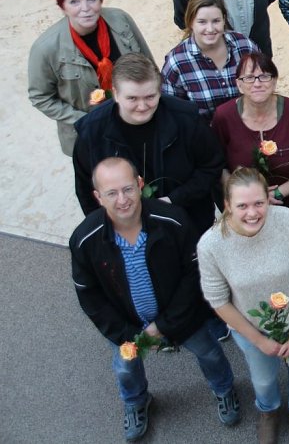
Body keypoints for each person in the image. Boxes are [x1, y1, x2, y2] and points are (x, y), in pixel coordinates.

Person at [70, 157, 240, 442]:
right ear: (98, 197)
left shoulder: (173, 219)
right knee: (125, 368)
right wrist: (127, 334)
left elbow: (193, 275)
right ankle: (137, 401)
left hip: (181, 317)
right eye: (111, 193)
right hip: (126, 325)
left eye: (127, 189)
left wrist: (164, 324)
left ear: (140, 185)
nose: (122, 200)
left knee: (209, 352)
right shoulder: (84, 240)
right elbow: (90, 297)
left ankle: (224, 388)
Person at [198, 167, 289, 444]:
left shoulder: (288, 221)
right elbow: (218, 300)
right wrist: (259, 341)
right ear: (227, 205)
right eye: (242, 205)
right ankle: (269, 410)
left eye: (258, 203)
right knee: (263, 380)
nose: (252, 213)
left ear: (267, 199)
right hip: (250, 328)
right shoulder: (211, 245)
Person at [73, 53, 223, 236]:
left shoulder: (186, 118)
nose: (143, 106)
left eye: (150, 97)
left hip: (187, 224)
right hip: (124, 230)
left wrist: (172, 200)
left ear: (160, 90)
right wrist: (108, 230)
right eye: (132, 99)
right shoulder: (91, 132)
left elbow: (211, 166)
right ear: (115, 93)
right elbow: (86, 188)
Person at [28, 0, 155, 156]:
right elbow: (40, 97)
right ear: (62, 6)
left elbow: (149, 65)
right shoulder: (46, 48)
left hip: (138, 121)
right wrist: (83, 120)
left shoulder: (121, 20)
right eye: (74, 2)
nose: (85, 9)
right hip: (90, 137)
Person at [212, 51, 289, 217]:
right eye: (249, 78)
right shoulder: (224, 116)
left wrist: (277, 193)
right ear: (239, 84)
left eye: (264, 76)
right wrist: (246, 195)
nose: (257, 84)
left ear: (274, 81)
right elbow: (217, 165)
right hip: (244, 210)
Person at [162, 0, 260, 120]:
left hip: (252, 127)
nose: (210, 29)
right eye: (202, 22)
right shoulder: (177, 62)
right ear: (190, 23)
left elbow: (264, 84)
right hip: (206, 135)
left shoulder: (245, 46)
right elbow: (172, 111)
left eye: (216, 21)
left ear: (224, 20)